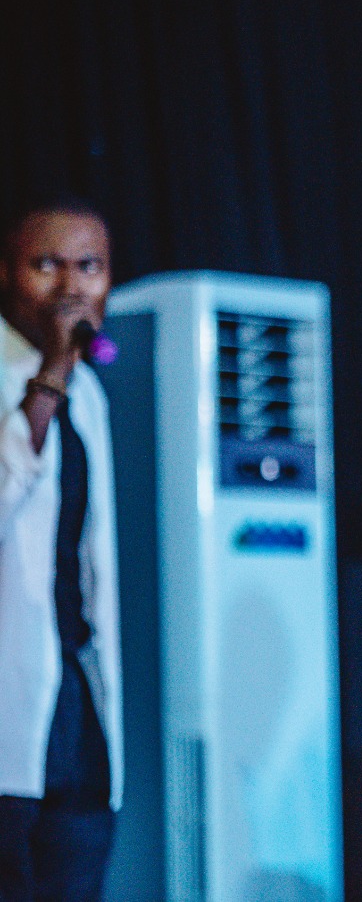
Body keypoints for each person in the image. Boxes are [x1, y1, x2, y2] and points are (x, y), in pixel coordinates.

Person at [0, 198, 122, 902]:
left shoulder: (92, 393)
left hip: (76, 706)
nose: (70, 288)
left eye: (89, 266)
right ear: (8, 273)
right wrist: (49, 372)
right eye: (47, 265)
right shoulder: (33, 377)